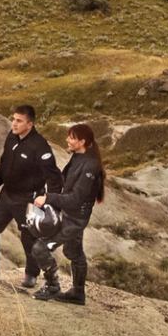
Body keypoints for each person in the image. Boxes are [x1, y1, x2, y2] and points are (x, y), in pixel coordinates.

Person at [0, 104, 62, 285]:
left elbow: (54, 177)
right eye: (13, 119)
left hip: (28, 200)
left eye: (19, 121)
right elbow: (3, 166)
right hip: (6, 195)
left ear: (30, 124)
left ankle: (31, 275)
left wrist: (51, 201)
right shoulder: (12, 138)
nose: (14, 124)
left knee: (29, 238)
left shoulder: (40, 147)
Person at [32, 122, 105, 305]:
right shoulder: (78, 158)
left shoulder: (90, 166)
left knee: (40, 248)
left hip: (75, 218)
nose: (67, 140)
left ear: (82, 141)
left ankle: (52, 286)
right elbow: (65, 185)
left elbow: (76, 199)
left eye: (72, 137)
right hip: (69, 214)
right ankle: (78, 293)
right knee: (73, 251)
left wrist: (48, 198)